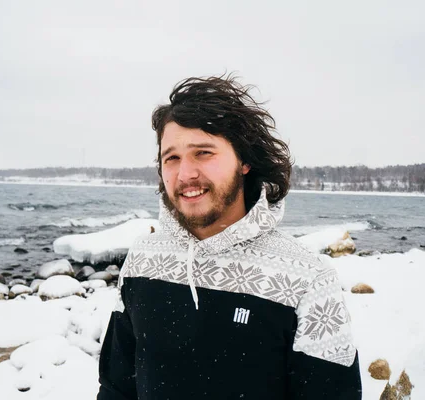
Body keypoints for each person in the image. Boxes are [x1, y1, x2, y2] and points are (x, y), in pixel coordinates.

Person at [97, 75, 362, 399]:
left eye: (203, 153)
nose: (185, 174)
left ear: (245, 160)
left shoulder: (307, 279)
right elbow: (116, 388)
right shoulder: (143, 259)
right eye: (172, 158)